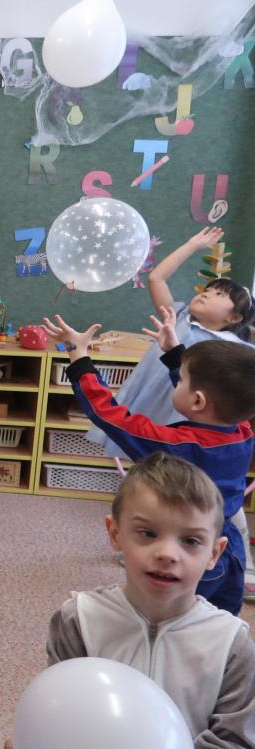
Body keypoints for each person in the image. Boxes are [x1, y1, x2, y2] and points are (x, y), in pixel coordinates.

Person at [42, 309, 255, 615]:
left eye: (180, 381)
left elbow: (108, 413)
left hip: (187, 552)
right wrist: (175, 354)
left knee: (167, 618)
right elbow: (205, 400)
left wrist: (79, 354)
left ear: (197, 400)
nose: (176, 383)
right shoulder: (242, 431)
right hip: (224, 546)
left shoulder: (175, 446)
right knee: (218, 621)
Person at [84, 227, 254, 602]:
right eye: (208, 289)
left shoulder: (234, 351)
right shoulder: (178, 316)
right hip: (172, 418)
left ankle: (205, 555)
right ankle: (160, 543)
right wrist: (193, 244)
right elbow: (157, 277)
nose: (206, 294)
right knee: (171, 491)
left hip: (183, 426)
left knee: (203, 498)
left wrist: (80, 362)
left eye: (220, 295)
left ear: (235, 316)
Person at [43, 452, 255, 747]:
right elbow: (61, 711)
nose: (167, 554)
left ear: (214, 553)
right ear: (115, 533)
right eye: (148, 533)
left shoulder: (232, 645)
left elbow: (234, 739)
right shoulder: (78, 619)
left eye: (190, 541)